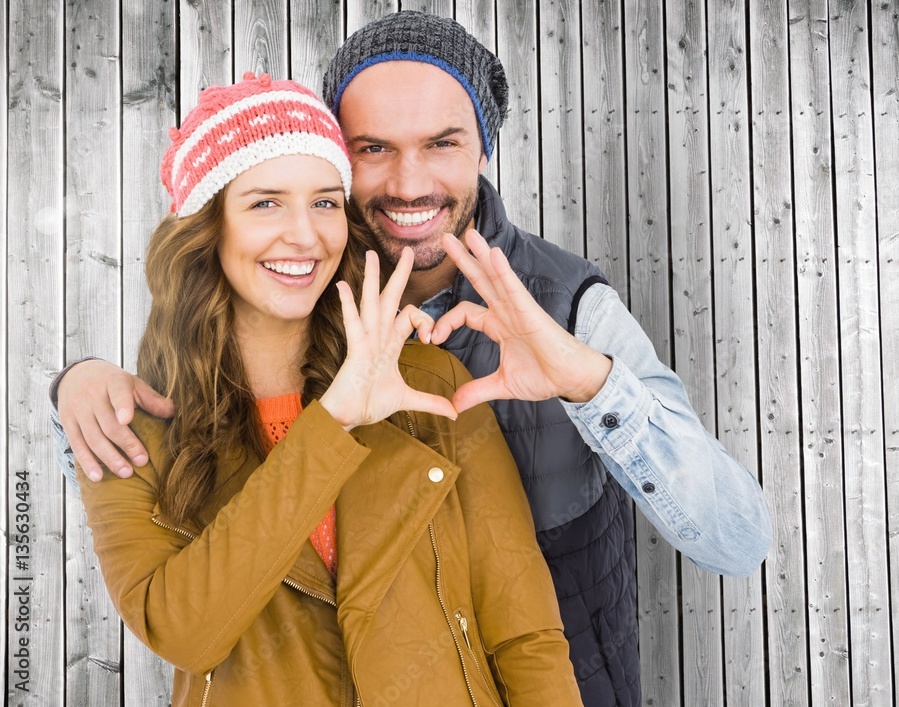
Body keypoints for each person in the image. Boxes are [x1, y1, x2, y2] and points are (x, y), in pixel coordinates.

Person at [53, 12, 772, 706]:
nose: (406, 183)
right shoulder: (263, 338)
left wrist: (587, 383)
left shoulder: (563, 309)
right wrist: (76, 389)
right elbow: (168, 536)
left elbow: (733, 542)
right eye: (372, 148)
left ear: (484, 149)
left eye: (442, 143)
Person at [75, 72, 582, 706]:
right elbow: (184, 632)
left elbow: (525, 633)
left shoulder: (425, 381)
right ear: (210, 228)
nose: (306, 235)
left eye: (324, 202)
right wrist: (333, 420)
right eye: (265, 202)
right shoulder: (130, 431)